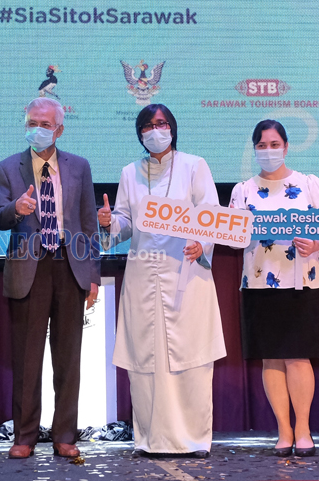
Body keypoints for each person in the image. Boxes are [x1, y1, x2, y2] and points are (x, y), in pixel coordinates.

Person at [100, 104, 224, 457]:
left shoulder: (194, 166)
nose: (156, 130)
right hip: (143, 274)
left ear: (172, 128)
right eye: (149, 125)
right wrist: (110, 222)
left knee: (191, 355)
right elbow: (124, 225)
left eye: (162, 123)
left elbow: (212, 214)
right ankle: (149, 440)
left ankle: (195, 439)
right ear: (140, 133)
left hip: (187, 273)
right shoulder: (130, 172)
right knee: (147, 358)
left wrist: (202, 241)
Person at [0, 97, 100, 459]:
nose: (38, 128)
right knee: (27, 358)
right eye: (32, 121)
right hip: (28, 269)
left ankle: (65, 435)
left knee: (68, 357)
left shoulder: (79, 166)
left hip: (70, 267)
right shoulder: (7, 168)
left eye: (45, 123)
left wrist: (93, 275)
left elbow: (88, 223)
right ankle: (24, 436)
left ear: (59, 129)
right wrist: (15, 209)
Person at [228, 120, 319, 457]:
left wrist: (315, 243)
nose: (268, 151)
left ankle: (304, 429)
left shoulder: (309, 184)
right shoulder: (242, 190)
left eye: (275, 144)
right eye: (262, 145)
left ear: (286, 147)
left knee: (298, 356)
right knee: (271, 358)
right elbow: (230, 236)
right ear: (255, 149)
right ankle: (283, 431)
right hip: (259, 281)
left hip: (302, 281)